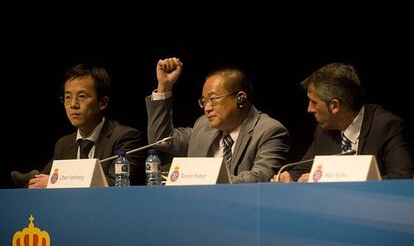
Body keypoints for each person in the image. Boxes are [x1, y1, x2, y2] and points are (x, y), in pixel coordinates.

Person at [146, 57, 290, 183]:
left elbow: (261, 177)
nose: (207, 108)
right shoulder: (203, 125)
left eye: (213, 99)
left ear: (240, 98)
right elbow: (160, 139)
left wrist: (202, 179)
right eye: (204, 101)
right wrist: (164, 86)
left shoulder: (269, 131)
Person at [272, 62, 414, 182]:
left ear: (334, 106)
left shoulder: (387, 126)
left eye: (314, 102)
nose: (309, 109)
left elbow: (402, 178)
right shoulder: (324, 131)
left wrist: (331, 179)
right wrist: (289, 176)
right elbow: (303, 169)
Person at [27, 63, 146, 188]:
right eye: (68, 97)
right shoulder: (64, 145)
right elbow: (40, 181)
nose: (73, 104)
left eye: (82, 96)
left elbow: (116, 185)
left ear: (103, 103)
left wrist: (55, 183)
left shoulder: (125, 138)